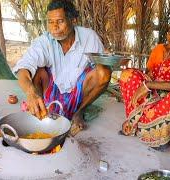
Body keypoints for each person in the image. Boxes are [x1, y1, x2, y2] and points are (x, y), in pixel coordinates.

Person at [12, 0, 111, 136]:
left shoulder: (89, 37)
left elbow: (101, 73)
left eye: (60, 21)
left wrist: (106, 58)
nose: (54, 27)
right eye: (50, 22)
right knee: (37, 71)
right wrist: (31, 93)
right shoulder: (44, 41)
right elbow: (23, 69)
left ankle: (79, 112)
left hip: (79, 93)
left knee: (104, 72)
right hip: (52, 91)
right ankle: (42, 112)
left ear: (73, 20)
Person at [119, 15, 170, 151]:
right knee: (128, 75)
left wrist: (149, 85)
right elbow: (147, 75)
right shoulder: (159, 50)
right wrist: (147, 83)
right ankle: (140, 123)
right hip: (153, 99)